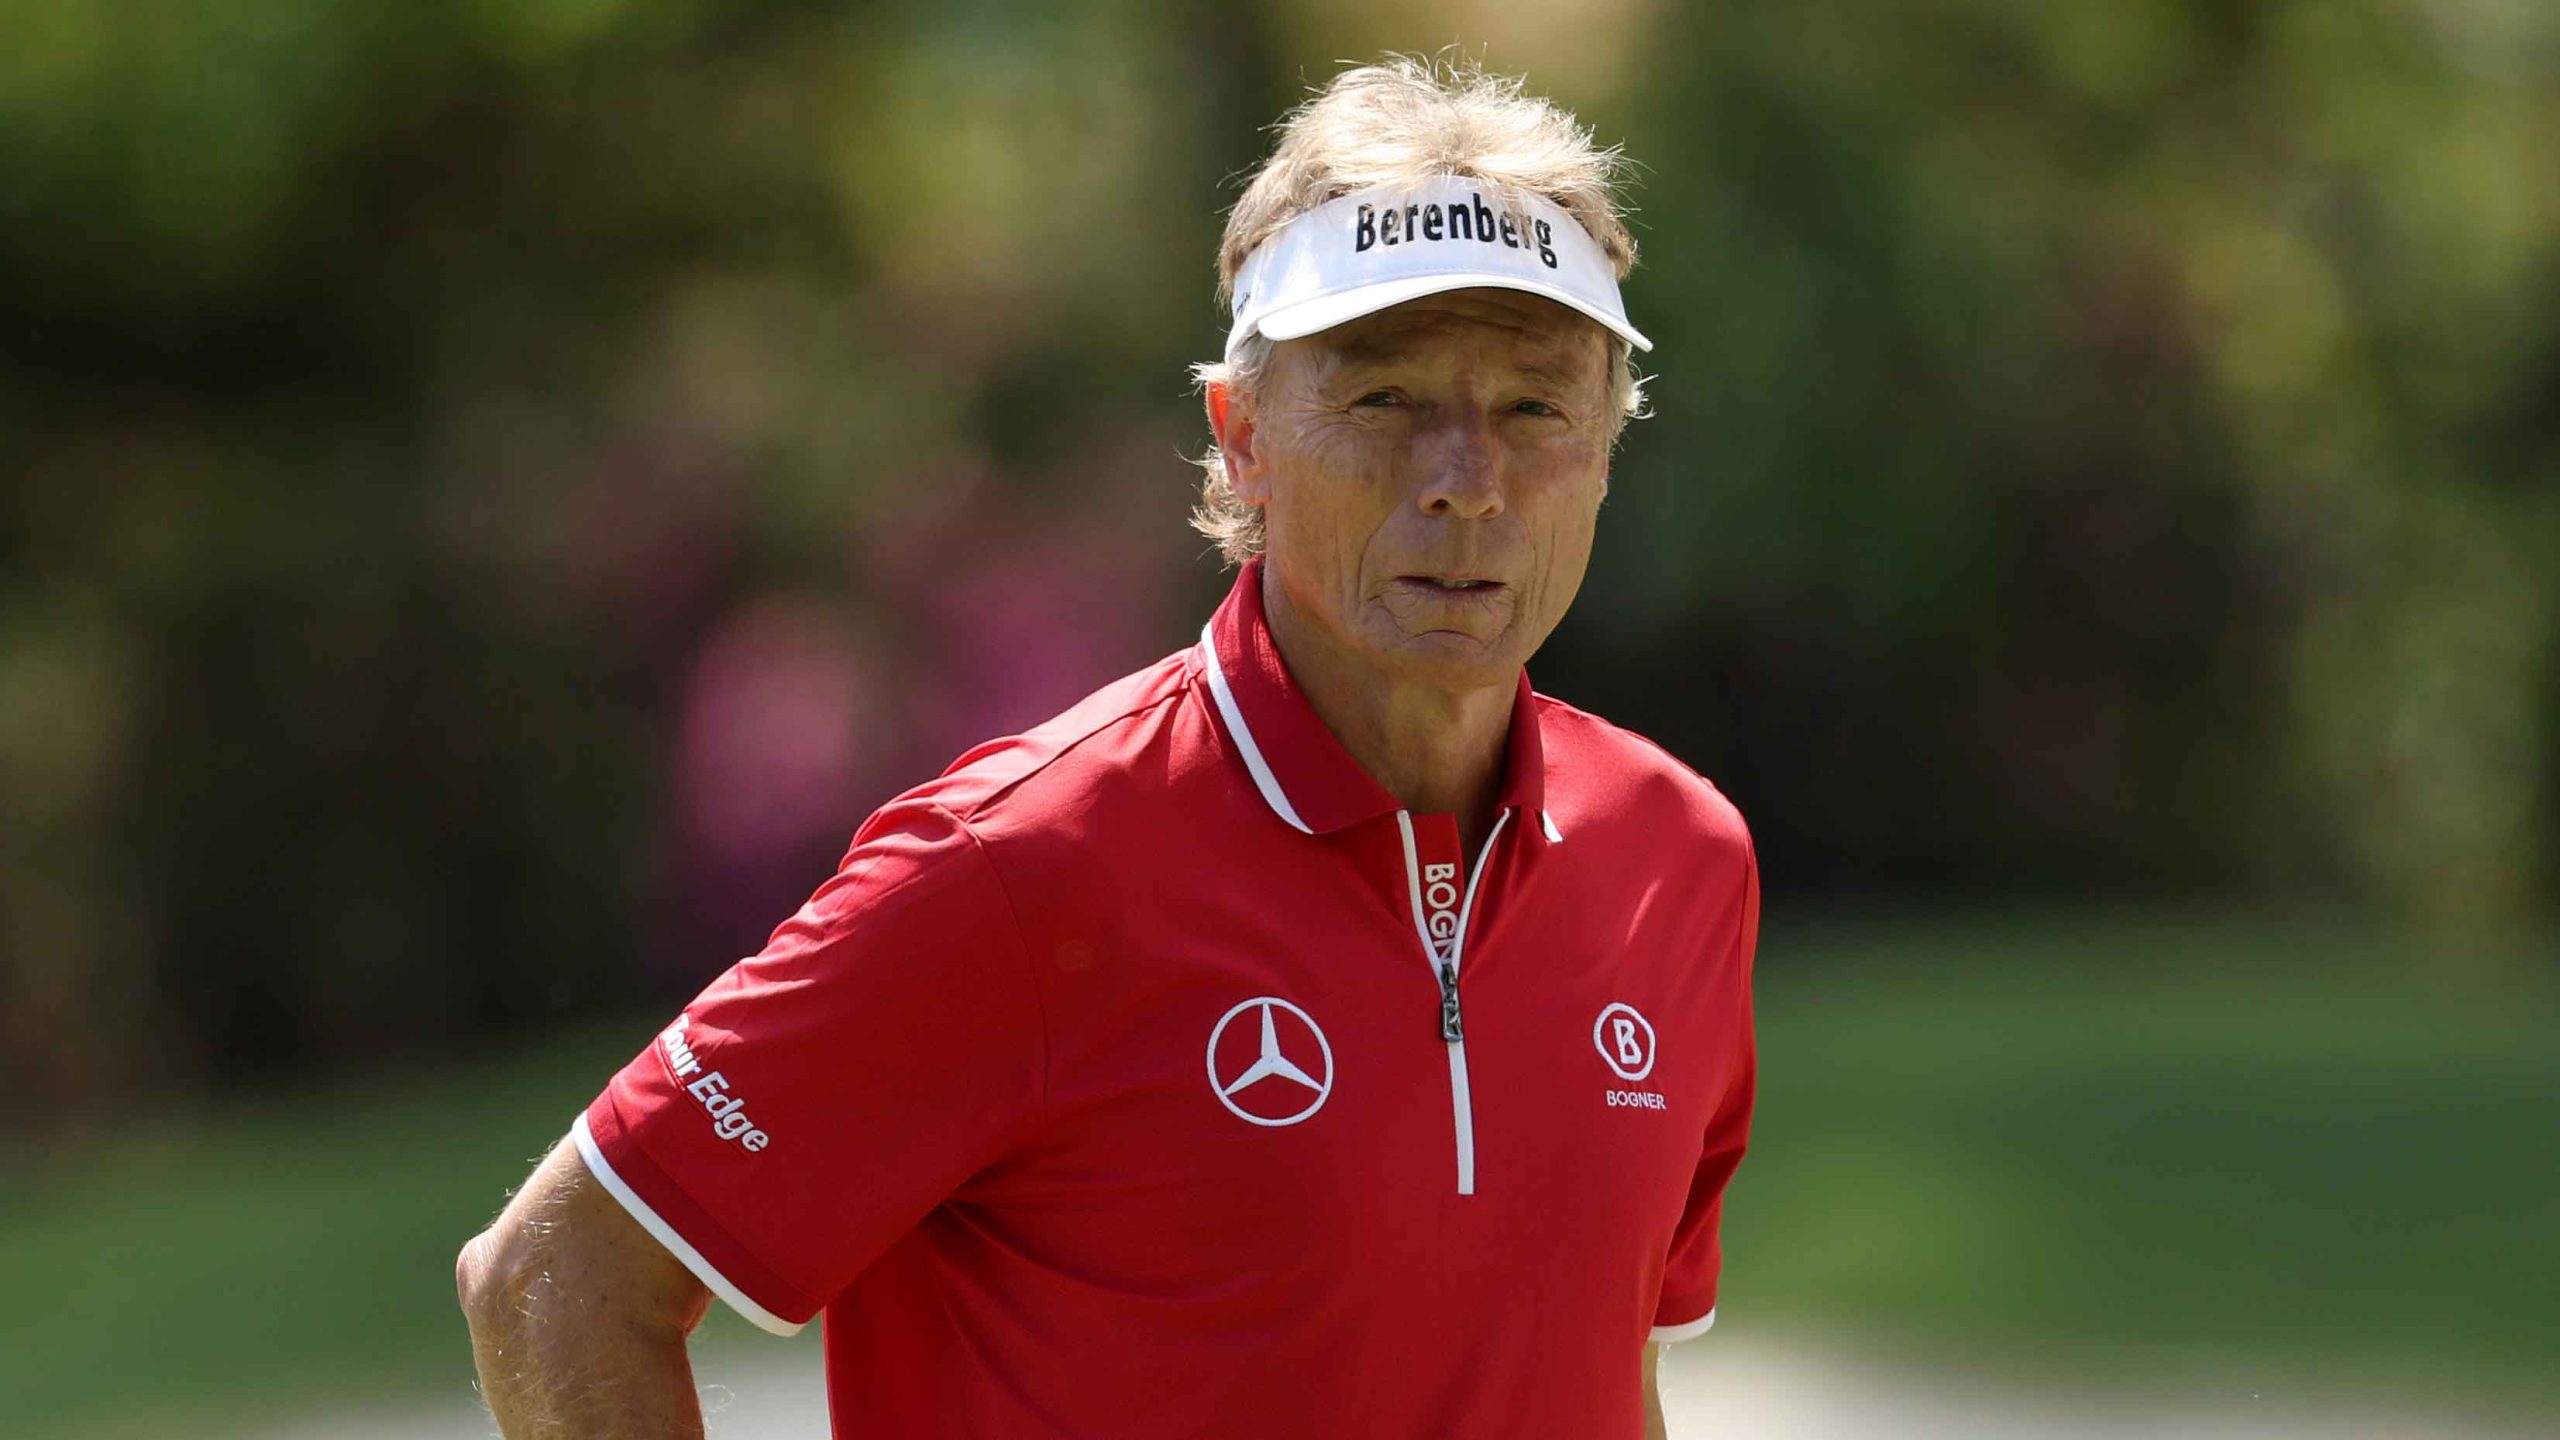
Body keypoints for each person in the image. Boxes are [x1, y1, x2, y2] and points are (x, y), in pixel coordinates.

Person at [457, 55, 1757, 1440]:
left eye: (1535, 407)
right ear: (1244, 437)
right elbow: (556, 1280)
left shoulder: (1678, 861)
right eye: (1382, 400)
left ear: (1607, 449)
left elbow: (1612, 1377)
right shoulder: (1019, 870)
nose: (1464, 477)